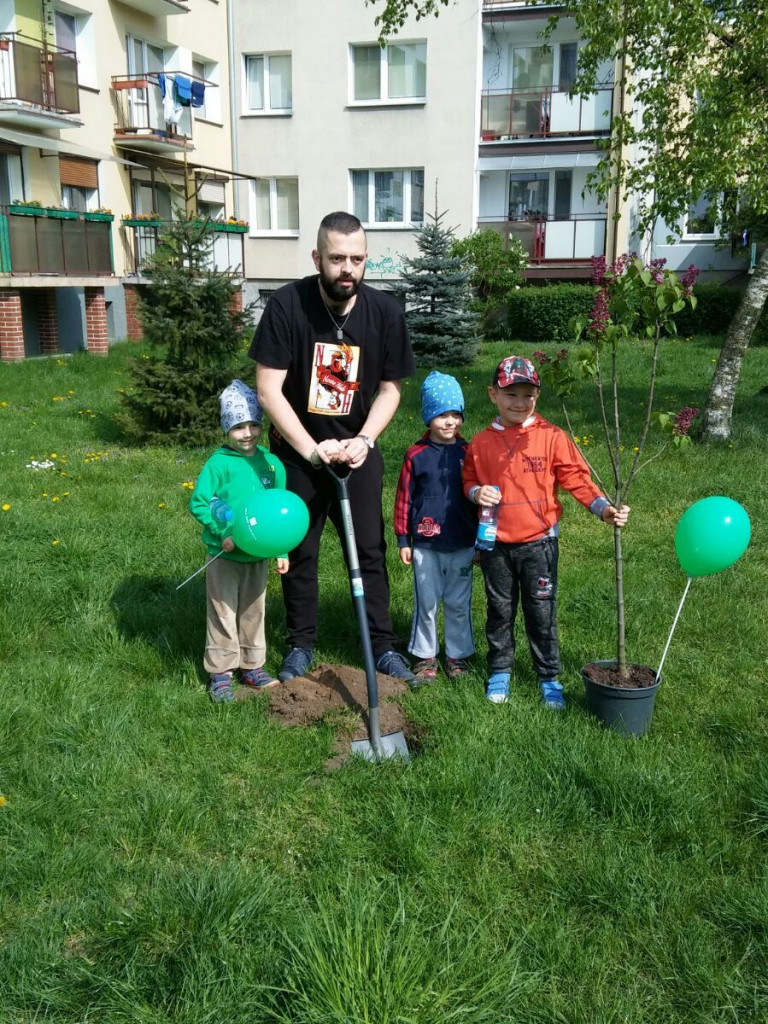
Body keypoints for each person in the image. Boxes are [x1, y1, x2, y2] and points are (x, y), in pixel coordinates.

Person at [250, 211, 417, 682]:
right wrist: (309, 450)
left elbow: (390, 389)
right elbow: (269, 390)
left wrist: (365, 440)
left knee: (368, 549)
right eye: (338, 258)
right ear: (317, 257)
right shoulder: (286, 305)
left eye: (357, 259)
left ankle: (382, 647)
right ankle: (301, 643)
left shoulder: (385, 313)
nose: (348, 269)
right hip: (300, 453)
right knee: (298, 549)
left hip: (358, 452)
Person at [462, 355, 630, 709]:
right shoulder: (480, 443)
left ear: (537, 397)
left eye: (528, 395)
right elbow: (469, 481)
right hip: (496, 547)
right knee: (499, 610)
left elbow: (576, 480)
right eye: (511, 394)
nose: (519, 403)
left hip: (540, 545)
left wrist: (604, 510)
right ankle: (500, 671)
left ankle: (549, 677)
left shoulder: (552, 437)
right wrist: (477, 493)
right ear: (493, 394)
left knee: (542, 613)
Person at [189, 379, 289, 703]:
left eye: (253, 425)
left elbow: (279, 512)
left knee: (254, 610)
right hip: (225, 554)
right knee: (223, 611)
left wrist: (281, 549)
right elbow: (200, 502)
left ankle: (252, 665)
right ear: (226, 428)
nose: (247, 434)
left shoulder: (271, 465)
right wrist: (223, 534)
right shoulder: (218, 464)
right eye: (238, 427)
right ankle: (220, 671)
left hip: (257, 556)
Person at [394, 371, 477, 684]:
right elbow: (403, 498)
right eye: (442, 414)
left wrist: (482, 541)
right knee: (426, 602)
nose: (450, 422)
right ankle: (425, 655)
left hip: (464, 541)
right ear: (429, 417)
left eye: (456, 414)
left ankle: (458, 655)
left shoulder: (469, 454)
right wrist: (404, 539)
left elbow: (481, 499)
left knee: (458, 602)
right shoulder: (416, 455)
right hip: (426, 546)